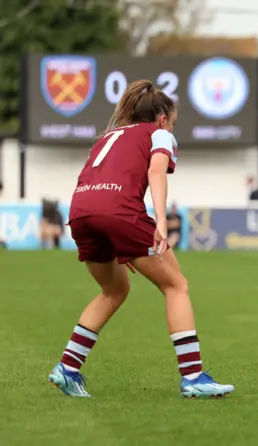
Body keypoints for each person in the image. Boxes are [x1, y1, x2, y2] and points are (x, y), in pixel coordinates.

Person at [48, 79, 234, 399]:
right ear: (162, 119)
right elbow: (156, 172)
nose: (172, 129)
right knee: (176, 285)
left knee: (114, 289)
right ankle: (193, 377)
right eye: (173, 123)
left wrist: (120, 241)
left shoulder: (109, 136)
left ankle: (68, 367)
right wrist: (161, 220)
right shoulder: (159, 134)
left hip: (80, 212)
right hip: (118, 212)